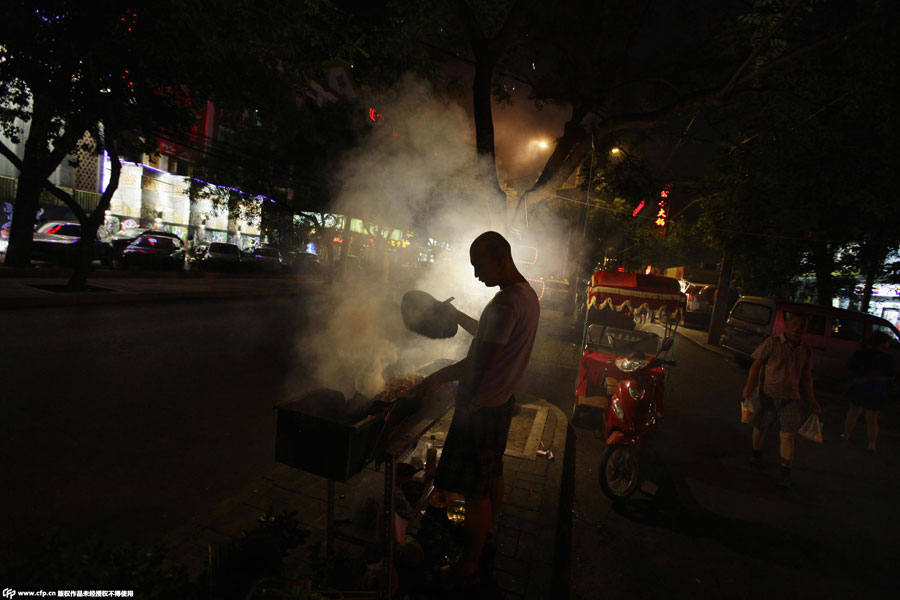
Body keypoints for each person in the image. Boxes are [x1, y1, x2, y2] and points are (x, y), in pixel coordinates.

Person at [411, 231, 540, 587]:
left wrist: (433, 379)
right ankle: (486, 535)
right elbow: (490, 335)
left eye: (478, 266)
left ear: (500, 259)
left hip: (480, 409)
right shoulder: (526, 296)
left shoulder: (504, 304)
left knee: (475, 493)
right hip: (501, 403)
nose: (475, 275)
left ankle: (468, 564)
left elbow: (479, 360)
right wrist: (456, 314)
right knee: (492, 474)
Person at [742, 313, 821, 489]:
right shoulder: (772, 343)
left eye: (802, 325)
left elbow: (807, 377)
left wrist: (811, 399)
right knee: (761, 427)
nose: (798, 327)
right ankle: (756, 453)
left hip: (792, 398)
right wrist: (749, 387)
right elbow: (756, 365)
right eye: (795, 323)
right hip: (767, 394)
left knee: (787, 435)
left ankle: (786, 471)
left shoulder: (805, 350)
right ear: (787, 325)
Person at [841, 331, 898, 452]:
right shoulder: (888, 358)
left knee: (853, 412)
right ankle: (872, 444)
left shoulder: (861, 354)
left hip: (859, 387)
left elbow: (850, 367)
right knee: (872, 419)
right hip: (877, 390)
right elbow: (892, 375)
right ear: (883, 344)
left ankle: (846, 435)